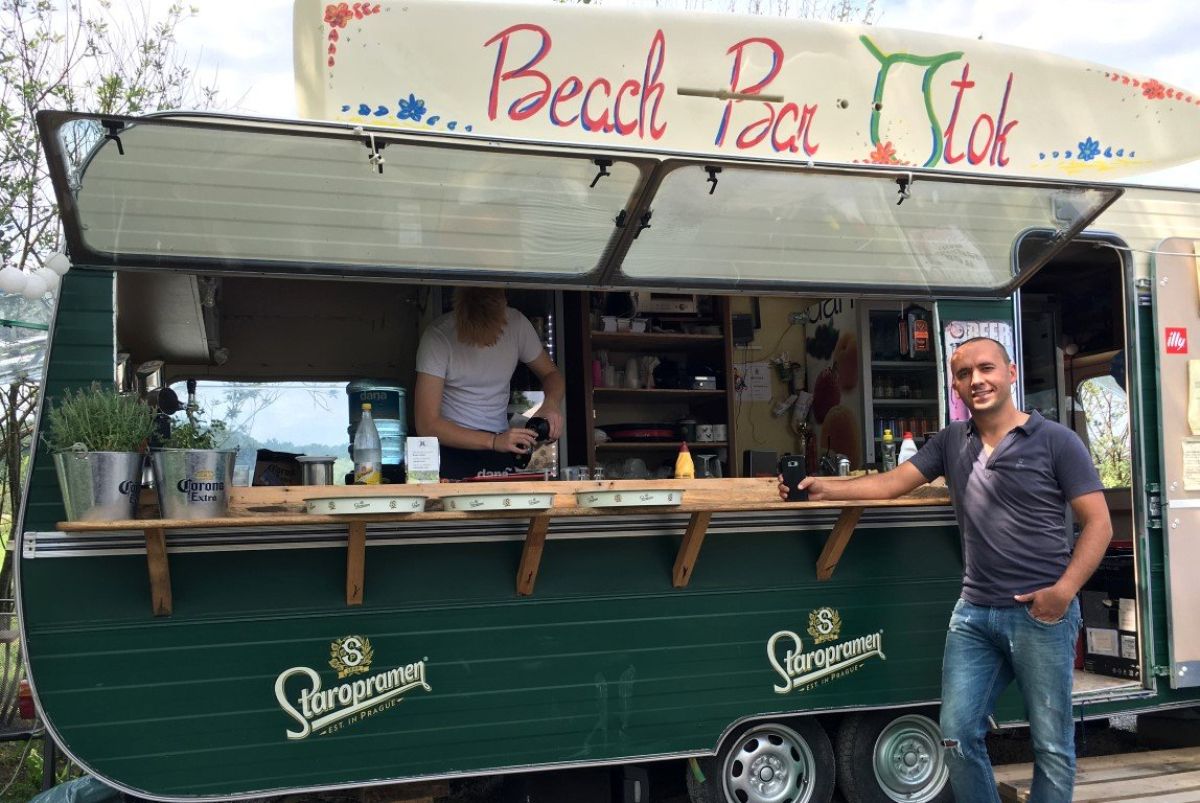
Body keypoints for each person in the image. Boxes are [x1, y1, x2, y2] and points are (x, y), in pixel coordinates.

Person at [779, 336, 1111, 803]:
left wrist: (1063, 591)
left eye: (986, 368)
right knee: (956, 736)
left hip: (1041, 614)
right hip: (974, 614)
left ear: (1011, 373)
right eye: (964, 373)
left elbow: (1099, 524)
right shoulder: (952, 441)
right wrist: (823, 488)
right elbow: (892, 483)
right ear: (955, 386)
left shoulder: (1056, 440)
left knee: (1051, 745)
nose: (976, 380)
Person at [414, 287, 565, 480]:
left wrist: (551, 404)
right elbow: (427, 424)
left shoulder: (517, 324)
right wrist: (493, 441)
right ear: (462, 314)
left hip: (500, 443)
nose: (484, 342)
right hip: (450, 446)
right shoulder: (438, 336)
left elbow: (551, 374)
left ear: (504, 308)